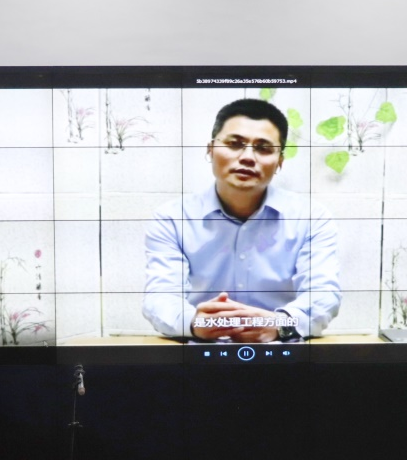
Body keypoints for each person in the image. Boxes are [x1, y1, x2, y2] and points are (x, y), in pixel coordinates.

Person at [142, 98, 342, 343]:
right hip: (200, 356)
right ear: (210, 149)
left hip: (281, 355)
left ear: (280, 161)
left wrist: (279, 324)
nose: (247, 157)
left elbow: (323, 295)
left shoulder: (311, 218)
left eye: (263, 148)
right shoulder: (172, 219)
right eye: (234, 144)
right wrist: (195, 322)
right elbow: (160, 298)